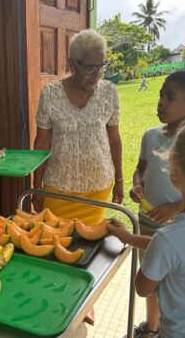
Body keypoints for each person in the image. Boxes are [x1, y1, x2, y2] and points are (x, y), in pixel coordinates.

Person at [109, 119, 185, 338]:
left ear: (173, 165)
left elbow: (143, 288)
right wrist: (128, 237)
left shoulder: (169, 239)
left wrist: (153, 258)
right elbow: (179, 249)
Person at [128, 70, 185, 337]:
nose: (161, 102)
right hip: (147, 220)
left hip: (178, 228)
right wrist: (136, 183)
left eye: (169, 97)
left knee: (173, 285)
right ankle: (152, 327)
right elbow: (140, 169)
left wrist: (175, 208)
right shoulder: (150, 135)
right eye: (161, 95)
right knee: (150, 280)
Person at [32, 29, 124, 226]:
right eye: (90, 68)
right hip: (58, 186)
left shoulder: (109, 92)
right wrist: (36, 185)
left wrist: (120, 180)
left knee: (87, 244)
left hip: (98, 185)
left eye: (102, 66)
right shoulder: (51, 93)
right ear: (72, 64)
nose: (97, 75)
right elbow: (42, 141)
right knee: (54, 240)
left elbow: (114, 139)